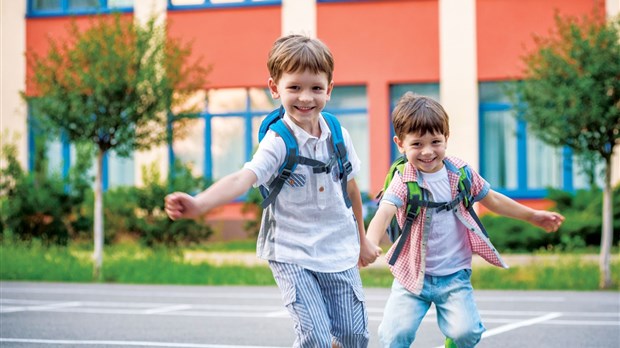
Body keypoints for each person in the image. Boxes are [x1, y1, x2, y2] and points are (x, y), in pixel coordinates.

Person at [165, 34, 380, 348]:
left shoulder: (338, 135)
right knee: (316, 339)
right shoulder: (278, 141)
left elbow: (350, 190)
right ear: (274, 88)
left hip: (337, 248)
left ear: (329, 90)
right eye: (294, 87)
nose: (305, 98)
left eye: (316, 88)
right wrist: (199, 204)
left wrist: (362, 240)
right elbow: (242, 178)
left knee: (354, 338)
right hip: (291, 250)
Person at [361, 92, 564, 348]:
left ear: (446, 138)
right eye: (416, 144)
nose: (427, 151)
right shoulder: (405, 179)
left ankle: (453, 342)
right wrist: (368, 242)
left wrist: (532, 215)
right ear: (400, 144)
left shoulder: (460, 174)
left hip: (454, 275)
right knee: (393, 336)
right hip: (411, 275)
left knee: (466, 333)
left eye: (435, 141)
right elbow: (384, 212)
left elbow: (493, 200)